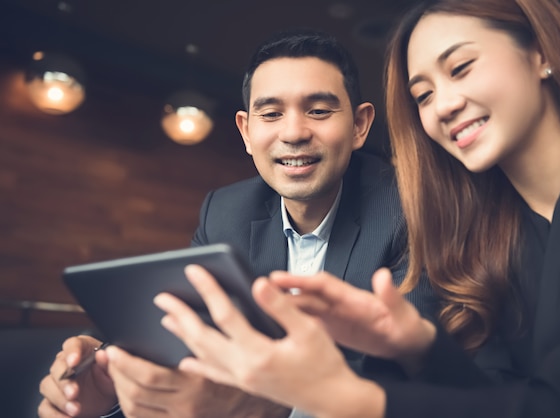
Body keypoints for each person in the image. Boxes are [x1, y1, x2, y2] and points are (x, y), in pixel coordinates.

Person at [154, 0, 560, 417]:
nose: (443, 104)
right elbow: (504, 396)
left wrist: (339, 398)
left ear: (541, 52)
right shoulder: (494, 226)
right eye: (423, 94)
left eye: (460, 67)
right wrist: (421, 347)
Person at [37, 29, 434, 418]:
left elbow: (414, 383)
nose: (294, 132)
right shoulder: (225, 211)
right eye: (271, 113)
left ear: (360, 125)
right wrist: (109, 389)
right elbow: (183, 340)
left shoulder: (408, 210)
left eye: (318, 110)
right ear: (246, 130)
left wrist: (270, 402)